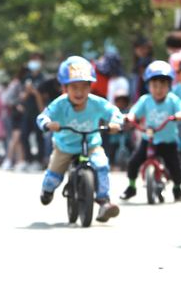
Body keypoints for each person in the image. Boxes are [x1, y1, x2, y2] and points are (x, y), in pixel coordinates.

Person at [36, 56, 123, 222]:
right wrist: (48, 124)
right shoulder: (60, 104)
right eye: (74, 87)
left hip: (91, 144)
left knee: (102, 165)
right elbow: (43, 116)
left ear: (91, 87)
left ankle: (104, 201)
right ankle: (47, 191)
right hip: (65, 146)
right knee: (53, 178)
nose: (79, 92)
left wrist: (115, 123)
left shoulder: (96, 102)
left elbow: (114, 112)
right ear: (65, 88)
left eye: (84, 87)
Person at [121, 60, 181, 202]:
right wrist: (130, 117)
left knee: (176, 167)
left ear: (169, 86)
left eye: (163, 85)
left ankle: (177, 188)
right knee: (133, 162)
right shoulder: (145, 100)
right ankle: (131, 187)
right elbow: (135, 112)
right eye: (154, 85)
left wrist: (179, 115)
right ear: (148, 86)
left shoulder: (172, 100)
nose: (158, 89)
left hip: (168, 141)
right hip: (149, 139)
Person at [19, 53, 47, 171]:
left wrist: (34, 92)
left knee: (39, 137)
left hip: (38, 112)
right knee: (23, 136)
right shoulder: (27, 77)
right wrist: (27, 92)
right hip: (27, 112)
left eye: (36, 60)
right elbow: (22, 96)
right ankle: (27, 160)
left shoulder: (43, 79)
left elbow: (44, 96)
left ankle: (39, 161)